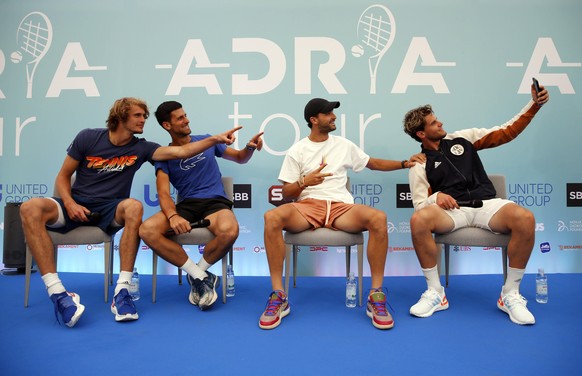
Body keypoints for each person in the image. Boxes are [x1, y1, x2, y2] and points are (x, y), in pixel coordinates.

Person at [19, 97, 241, 328]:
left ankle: (122, 292)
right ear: (120, 115)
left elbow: (181, 152)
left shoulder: (141, 147)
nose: (143, 120)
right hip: (75, 203)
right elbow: (63, 176)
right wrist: (70, 203)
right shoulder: (88, 137)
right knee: (29, 207)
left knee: (134, 206)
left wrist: (215, 138)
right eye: (138, 115)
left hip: (109, 208)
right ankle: (58, 294)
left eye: (144, 116)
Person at [258, 98, 424, 330]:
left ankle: (375, 295)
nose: (333, 116)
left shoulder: (344, 145)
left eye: (332, 113)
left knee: (378, 218)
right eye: (327, 113)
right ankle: (279, 295)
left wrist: (406, 163)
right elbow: (286, 192)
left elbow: (373, 163)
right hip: (308, 206)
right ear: (314, 120)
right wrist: (305, 181)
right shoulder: (297, 150)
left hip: (340, 207)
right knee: (271, 217)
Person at [402, 84, 549, 325]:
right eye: (433, 123)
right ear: (421, 134)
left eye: (437, 120)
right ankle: (435, 293)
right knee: (419, 220)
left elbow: (507, 130)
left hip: (487, 205)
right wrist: (434, 198)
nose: (440, 123)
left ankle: (510, 293)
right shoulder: (419, 164)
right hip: (452, 212)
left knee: (525, 218)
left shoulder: (463, 139)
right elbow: (419, 205)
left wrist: (534, 105)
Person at [139, 101, 263, 310]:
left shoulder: (207, 140)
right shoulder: (163, 155)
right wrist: (173, 216)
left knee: (230, 230)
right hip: (186, 206)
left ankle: (198, 273)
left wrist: (250, 147)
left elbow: (241, 158)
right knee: (147, 229)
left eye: (185, 115)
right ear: (167, 125)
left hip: (215, 203)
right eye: (180, 118)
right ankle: (200, 277)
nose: (186, 120)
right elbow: (162, 192)